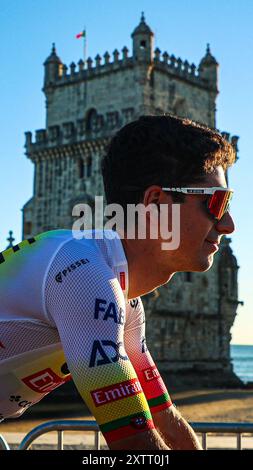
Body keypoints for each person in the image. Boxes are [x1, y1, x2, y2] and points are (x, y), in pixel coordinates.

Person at [0, 115, 235, 450]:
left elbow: (163, 419)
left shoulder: (124, 298)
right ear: (156, 204)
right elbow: (135, 444)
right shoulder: (84, 274)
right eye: (216, 203)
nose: (228, 224)